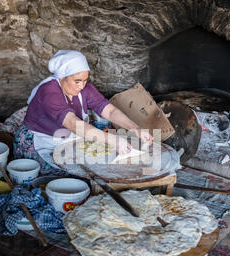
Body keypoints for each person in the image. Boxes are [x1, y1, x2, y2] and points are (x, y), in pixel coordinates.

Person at [13, 50, 153, 175]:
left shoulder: (85, 89)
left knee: (96, 164)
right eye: (77, 81)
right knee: (72, 175)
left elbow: (109, 111)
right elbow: (73, 124)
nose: (81, 86)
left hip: (67, 139)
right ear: (62, 77)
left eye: (85, 80)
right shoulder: (49, 92)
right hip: (40, 141)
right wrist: (114, 140)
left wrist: (135, 128)